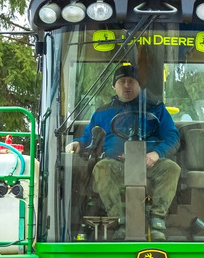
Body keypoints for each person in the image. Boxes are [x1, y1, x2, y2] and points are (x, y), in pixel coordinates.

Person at [67, 63, 180, 240]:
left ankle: (157, 220)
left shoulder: (156, 108)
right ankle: (121, 221)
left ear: (139, 85)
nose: (126, 85)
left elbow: (172, 137)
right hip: (116, 163)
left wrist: (156, 154)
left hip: (149, 164)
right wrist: (77, 144)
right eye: (122, 82)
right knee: (101, 168)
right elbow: (89, 138)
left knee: (172, 168)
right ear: (114, 86)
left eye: (131, 81)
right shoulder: (102, 113)